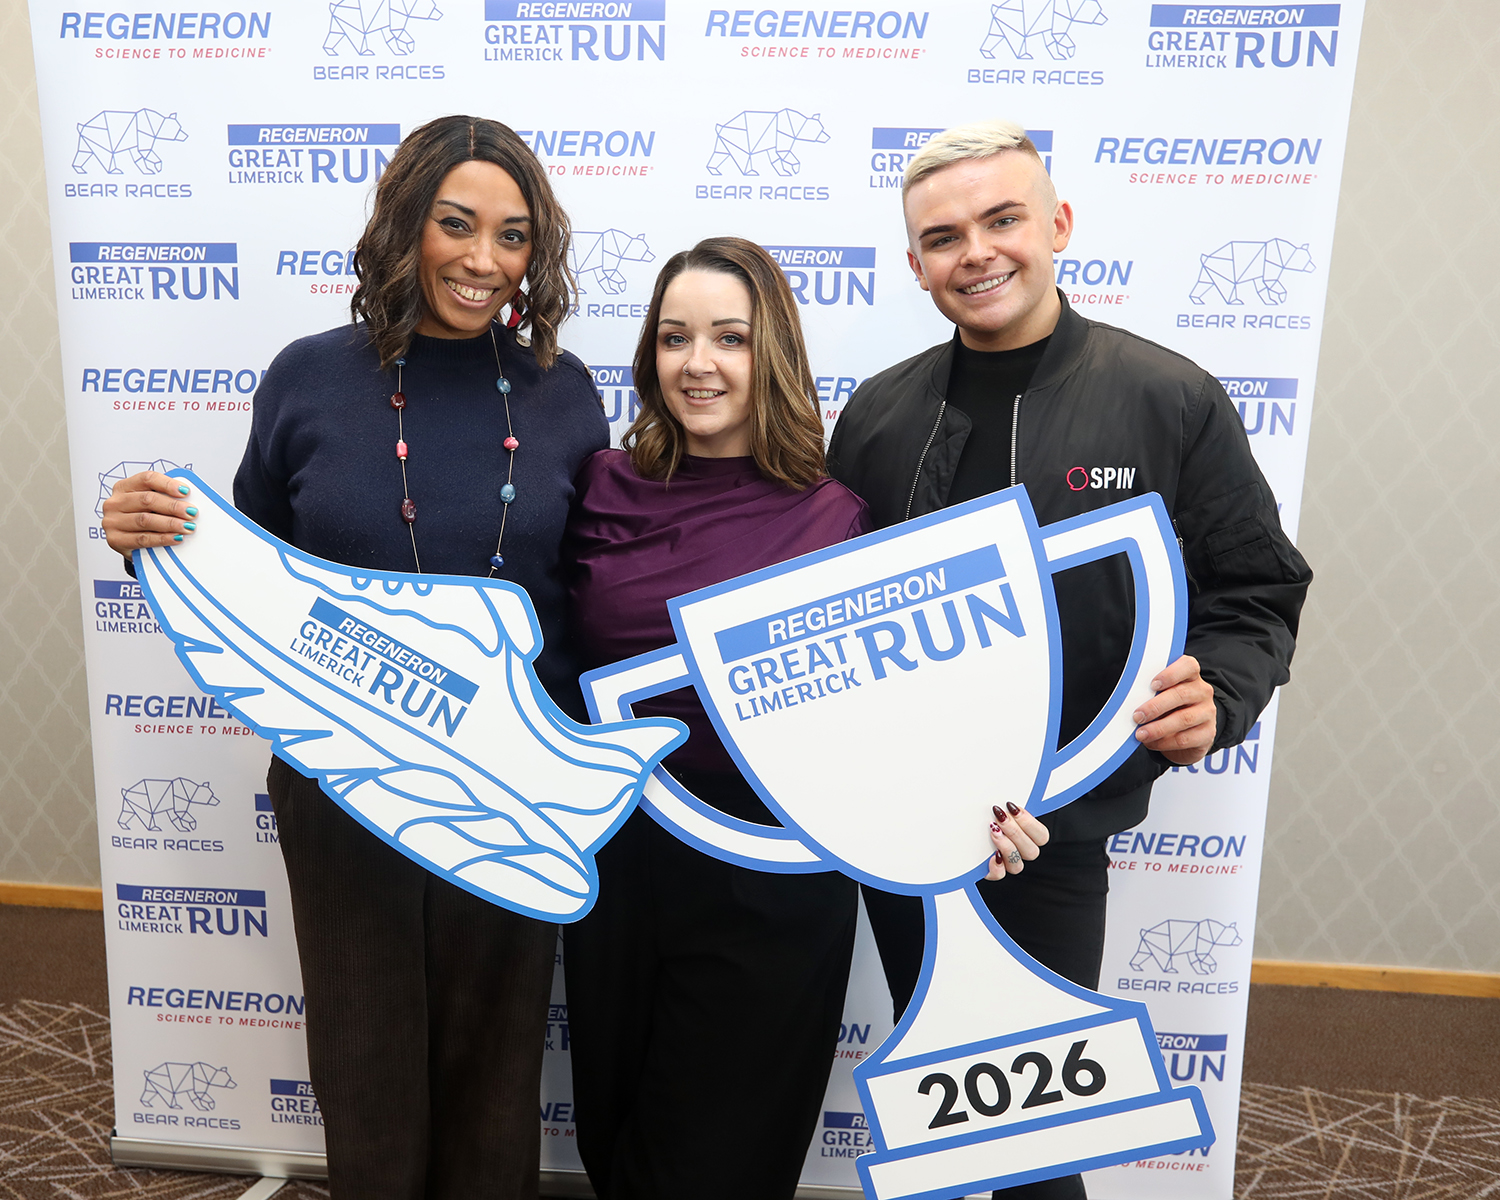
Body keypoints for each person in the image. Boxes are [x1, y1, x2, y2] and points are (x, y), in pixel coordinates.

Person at [101, 115, 606, 1200]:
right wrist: (145, 539)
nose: (483, 259)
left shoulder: (563, 393)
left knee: (494, 1072)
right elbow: (242, 571)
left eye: (513, 235)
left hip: (510, 782)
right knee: (364, 1062)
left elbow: (590, 585)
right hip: (341, 779)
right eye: (456, 224)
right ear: (404, 222)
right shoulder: (308, 378)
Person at [825, 120, 1313, 1200]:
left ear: (1058, 225)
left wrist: (1222, 691)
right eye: (943, 237)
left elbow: (1256, 589)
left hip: (1059, 824)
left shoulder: (1167, 397)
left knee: (1036, 1153)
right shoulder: (876, 415)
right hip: (905, 832)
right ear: (914, 265)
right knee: (940, 1130)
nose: (977, 252)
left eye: (1003, 219)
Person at [561, 236, 1050, 1200]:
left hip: (769, 878)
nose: (698, 363)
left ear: (773, 352)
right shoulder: (600, 486)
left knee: (709, 1168)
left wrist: (982, 812)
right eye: (675, 337)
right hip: (616, 865)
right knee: (611, 1141)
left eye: (729, 338)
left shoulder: (833, 519)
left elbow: (898, 718)